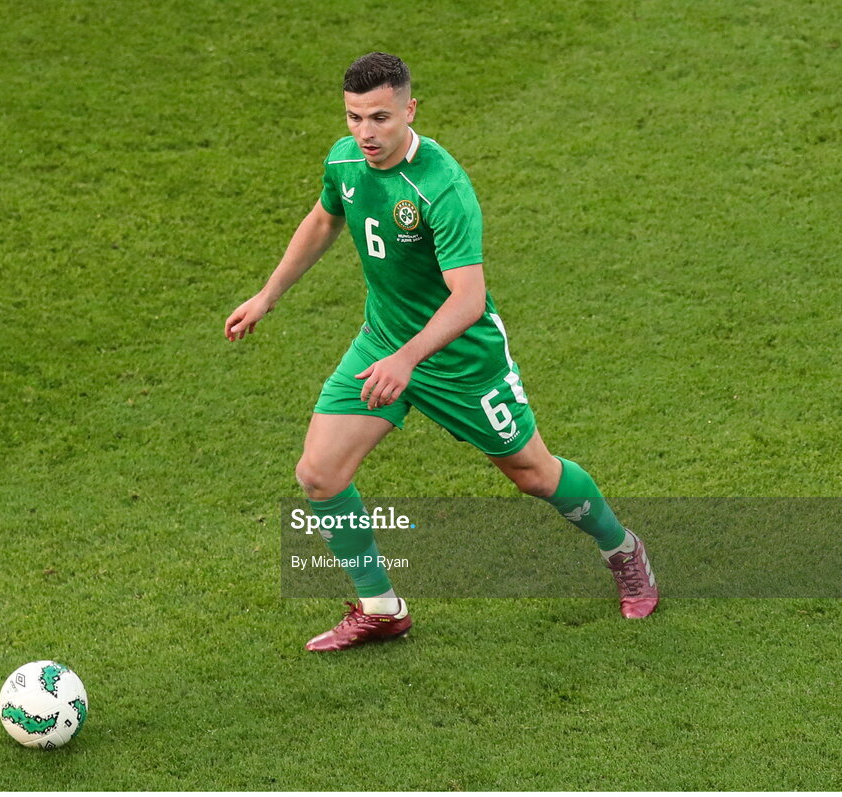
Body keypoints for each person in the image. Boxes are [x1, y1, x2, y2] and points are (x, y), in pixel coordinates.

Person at [224, 52, 658, 652]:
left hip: (459, 360)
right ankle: (381, 608)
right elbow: (326, 219)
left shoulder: (442, 186)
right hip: (382, 345)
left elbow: (468, 300)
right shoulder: (345, 157)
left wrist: (409, 360)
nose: (365, 133)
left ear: (410, 109)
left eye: (379, 117)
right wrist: (268, 295)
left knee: (534, 474)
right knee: (319, 474)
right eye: (354, 117)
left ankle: (623, 550)